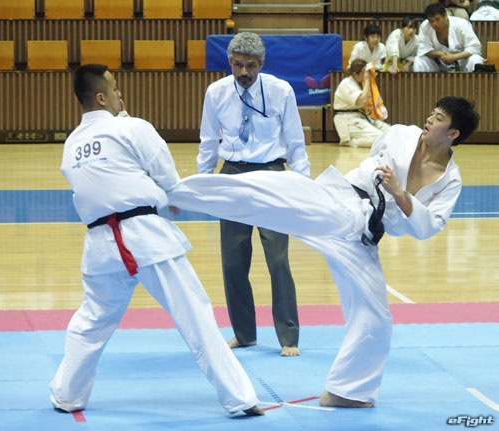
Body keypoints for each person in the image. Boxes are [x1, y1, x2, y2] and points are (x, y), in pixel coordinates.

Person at [168, 96, 480, 407]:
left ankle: (347, 391)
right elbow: (369, 164)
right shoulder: (399, 134)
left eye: (439, 118)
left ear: (453, 134)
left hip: (363, 236)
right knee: (271, 190)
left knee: (376, 319)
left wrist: (399, 193)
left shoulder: (449, 180)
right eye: (433, 112)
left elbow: (429, 226)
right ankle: (176, 192)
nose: (429, 118)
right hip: (339, 203)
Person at [49, 64, 264, 417]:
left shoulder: (71, 143)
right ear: (102, 97)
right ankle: (240, 398)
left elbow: (99, 183)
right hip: (144, 237)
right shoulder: (132, 127)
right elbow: (166, 174)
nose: (121, 95)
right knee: (194, 314)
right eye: (115, 89)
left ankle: (66, 394)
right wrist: (171, 198)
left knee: (92, 320)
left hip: (101, 247)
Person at [197, 32, 310, 357]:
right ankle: (244, 333)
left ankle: (289, 338)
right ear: (230, 63)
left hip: (272, 174)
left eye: (250, 66)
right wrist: (203, 186)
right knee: (233, 263)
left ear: (261, 64)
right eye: (237, 65)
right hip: (232, 175)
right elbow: (208, 141)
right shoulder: (216, 92)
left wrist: (302, 185)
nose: (243, 72)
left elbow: (295, 141)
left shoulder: (280, 91)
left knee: (278, 259)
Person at [333, 58, 390, 148]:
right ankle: (350, 142)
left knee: (390, 132)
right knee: (379, 138)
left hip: (359, 116)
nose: (367, 75)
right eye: (365, 73)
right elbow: (361, 102)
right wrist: (367, 81)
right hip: (346, 119)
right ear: (355, 74)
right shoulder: (346, 84)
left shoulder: (358, 83)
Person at [414, 2, 485, 72]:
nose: (434, 24)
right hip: (439, 63)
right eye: (431, 21)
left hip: (462, 61)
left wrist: (454, 57)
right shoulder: (425, 26)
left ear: (445, 15)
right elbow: (423, 48)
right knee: (419, 60)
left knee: (475, 59)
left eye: (437, 19)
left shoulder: (462, 24)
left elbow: (475, 47)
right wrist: (440, 54)